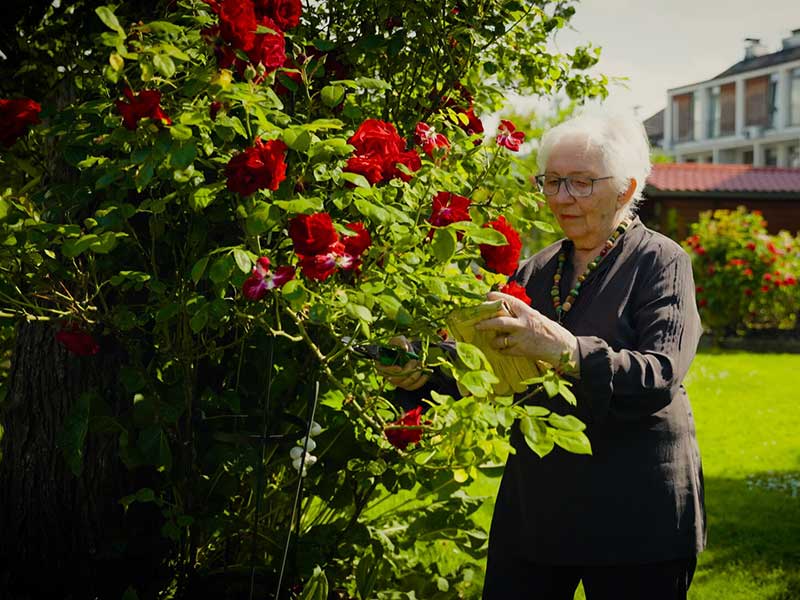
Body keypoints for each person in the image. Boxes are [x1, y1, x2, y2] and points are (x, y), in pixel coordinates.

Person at [380, 111, 706, 600]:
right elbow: (493, 360)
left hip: (636, 511)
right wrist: (424, 371)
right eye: (551, 181)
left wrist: (565, 350)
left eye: (579, 183)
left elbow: (659, 374)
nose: (560, 197)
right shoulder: (538, 269)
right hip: (539, 506)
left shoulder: (660, 262)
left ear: (625, 188)